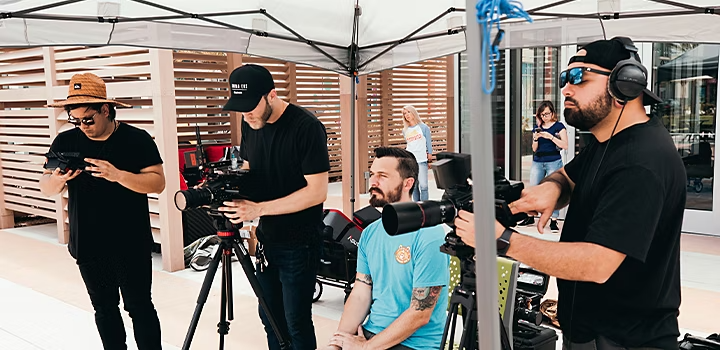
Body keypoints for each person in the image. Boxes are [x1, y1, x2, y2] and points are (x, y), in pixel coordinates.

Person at [455, 37, 685, 350]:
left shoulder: (641, 162)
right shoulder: (608, 142)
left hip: (625, 340)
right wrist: (553, 189)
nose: (565, 89)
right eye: (565, 78)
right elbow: (568, 175)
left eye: (579, 77)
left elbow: (597, 264)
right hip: (590, 332)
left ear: (624, 86)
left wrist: (501, 239)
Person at [39, 73, 166, 350]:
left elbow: (158, 182)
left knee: (139, 306)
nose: (82, 126)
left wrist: (118, 175)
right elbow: (45, 186)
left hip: (130, 241)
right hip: (89, 242)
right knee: (104, 308)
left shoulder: (136, 139)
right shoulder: (65, 143)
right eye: (76, 120)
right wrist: (59, 180)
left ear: (105, 110)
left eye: (88, 119)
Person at [218, 64, 330, 350]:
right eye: (240, 108)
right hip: (268, 240)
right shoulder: (249, 121)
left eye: (251, 106)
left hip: (300, 243)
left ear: (271, 95)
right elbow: (250, 166)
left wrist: (259, 209)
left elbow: (317, 192)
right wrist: (230, 187)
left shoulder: (306, 127)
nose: (246, 114)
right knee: (269, 318)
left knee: (296, 321)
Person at [322, 147, 449, 350]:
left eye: (382, 176)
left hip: (415, 344)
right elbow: (360, 294)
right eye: (372, 174)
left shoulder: (429, 234)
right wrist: (338, 342)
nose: (373, 182)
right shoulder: (371, 233)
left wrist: (365, 348)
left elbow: (420, 313)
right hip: (372, 334)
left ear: (408, 183)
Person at [519, 100, 568, 232]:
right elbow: (534, 149)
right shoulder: (537, 127)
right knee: (533, 188)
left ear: (552, 113)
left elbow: (565, 145)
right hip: (538, 161)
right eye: (542, 115)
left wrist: (550, 137)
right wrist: (535, 138)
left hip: (553, 161)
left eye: (547, 114)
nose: (545, 117)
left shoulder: (559, 126)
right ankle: (530, 216)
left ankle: (554, 220)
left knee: (554, 190)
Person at [402, 105, 433, 201]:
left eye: (408, 112)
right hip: (410, 161)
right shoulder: (405, 130)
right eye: (404, 113)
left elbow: (428, 143)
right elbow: (409, 145)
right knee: (414, 186)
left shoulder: (423, 128)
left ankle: (425, 207)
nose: (406, 115)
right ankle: (418, 207)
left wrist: (430, 157)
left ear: (413, 113)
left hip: (421, 160)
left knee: (424, 186)